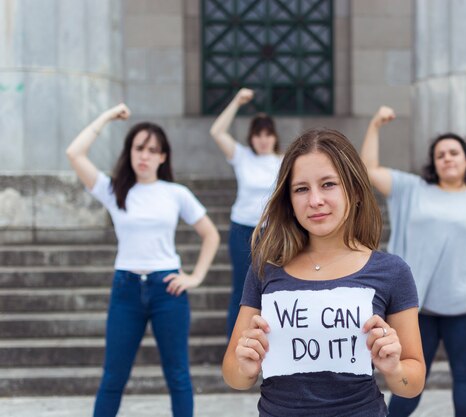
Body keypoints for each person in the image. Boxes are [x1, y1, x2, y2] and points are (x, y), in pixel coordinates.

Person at [221, 128, 426, 417]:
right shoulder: (265, 269)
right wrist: (244, 365)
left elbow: (412, 384)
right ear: (289, 201)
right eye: (301, 189)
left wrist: (395, 368)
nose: (315, 200)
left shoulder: (392, 272)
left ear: (354, 191)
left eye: (328, 184)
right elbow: (234, 375)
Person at [66, 104, 220, 417]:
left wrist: (195, 277)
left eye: (152, 150)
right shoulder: (114, 190)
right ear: (130, 152)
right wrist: (107, 116)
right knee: (113, 377)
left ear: (163, 157)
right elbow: (75, 153)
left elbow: (211, 234)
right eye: (139, 148)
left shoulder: (176, 193)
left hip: (168, 290)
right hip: (126, 290)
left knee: (177, 375)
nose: (144, 156)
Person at [360, 106, 466, 417]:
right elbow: (368, 169)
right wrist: (374, 125)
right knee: (410, 377)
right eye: (440, 154)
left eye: (454, 152)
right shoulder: (411, 190)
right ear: (434, 163)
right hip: (417, 308)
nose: (447, 158)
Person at [209, 88, 282, 339]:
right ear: (252, 137)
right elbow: (216, 131)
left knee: (271, 289)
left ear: (274, 137)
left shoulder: (283, 162)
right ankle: (235, 346)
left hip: (272, 232)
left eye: (268, 134)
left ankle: (269, 345)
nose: (263, 139)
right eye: (258, 134)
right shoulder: (242, 157)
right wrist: (237, 101)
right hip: (242, 229)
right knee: (242, 289)